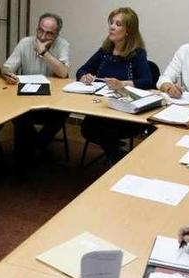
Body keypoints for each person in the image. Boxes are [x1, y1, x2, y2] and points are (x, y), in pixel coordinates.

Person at [76, 7, 151, 163]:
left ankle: (115, 158)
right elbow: (81, 70)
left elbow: (147, 81)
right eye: (111, 23)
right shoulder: (104, 51)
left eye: (118, 24)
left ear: (128, 30)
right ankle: (117, 156)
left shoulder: (137, 54)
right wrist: (84, 77)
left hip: (125, 112)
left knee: (105, 131)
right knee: (87, 128)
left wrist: (121, 84)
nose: (112, 27)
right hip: (101, 107)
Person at [1, 12, 71, 169]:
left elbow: (63, 73)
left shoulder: (63, 44)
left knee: (64, 111)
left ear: (56, 35)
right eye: (40, 30)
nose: (42, 36)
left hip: (52, 103)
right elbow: (5, 67)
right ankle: (25, 162)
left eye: (49, 33)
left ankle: (37, 145)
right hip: (27, 100)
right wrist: (7, 74)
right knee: (18, 115)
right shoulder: (25, 43)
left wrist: (44, 52)